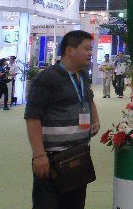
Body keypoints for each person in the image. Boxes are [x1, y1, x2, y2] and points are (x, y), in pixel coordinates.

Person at [25, 30, 100, 208]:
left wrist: (95, 119)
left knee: (75, 204)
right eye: (87, 49)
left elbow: (89, 99)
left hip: (79, 155)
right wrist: (39, 155)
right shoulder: (46, 78)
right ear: (69, 50)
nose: (90, 53)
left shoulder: (82, 75)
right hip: (52, 159)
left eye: (91, 49)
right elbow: (32, 117)